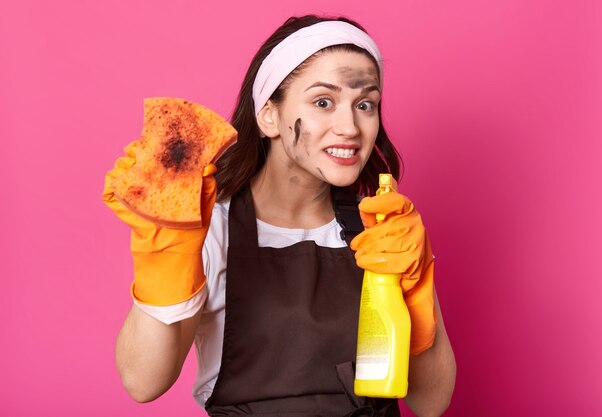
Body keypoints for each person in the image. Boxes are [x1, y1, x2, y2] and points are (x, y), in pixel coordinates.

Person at [103, 15, 456, 417]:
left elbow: (431, 402)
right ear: (269, 115)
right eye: (323, 102)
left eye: (365, 104)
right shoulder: (209, 229)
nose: (350, 126)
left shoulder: (385, 230)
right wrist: (163, 258)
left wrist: (416, 284)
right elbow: (142, 381)